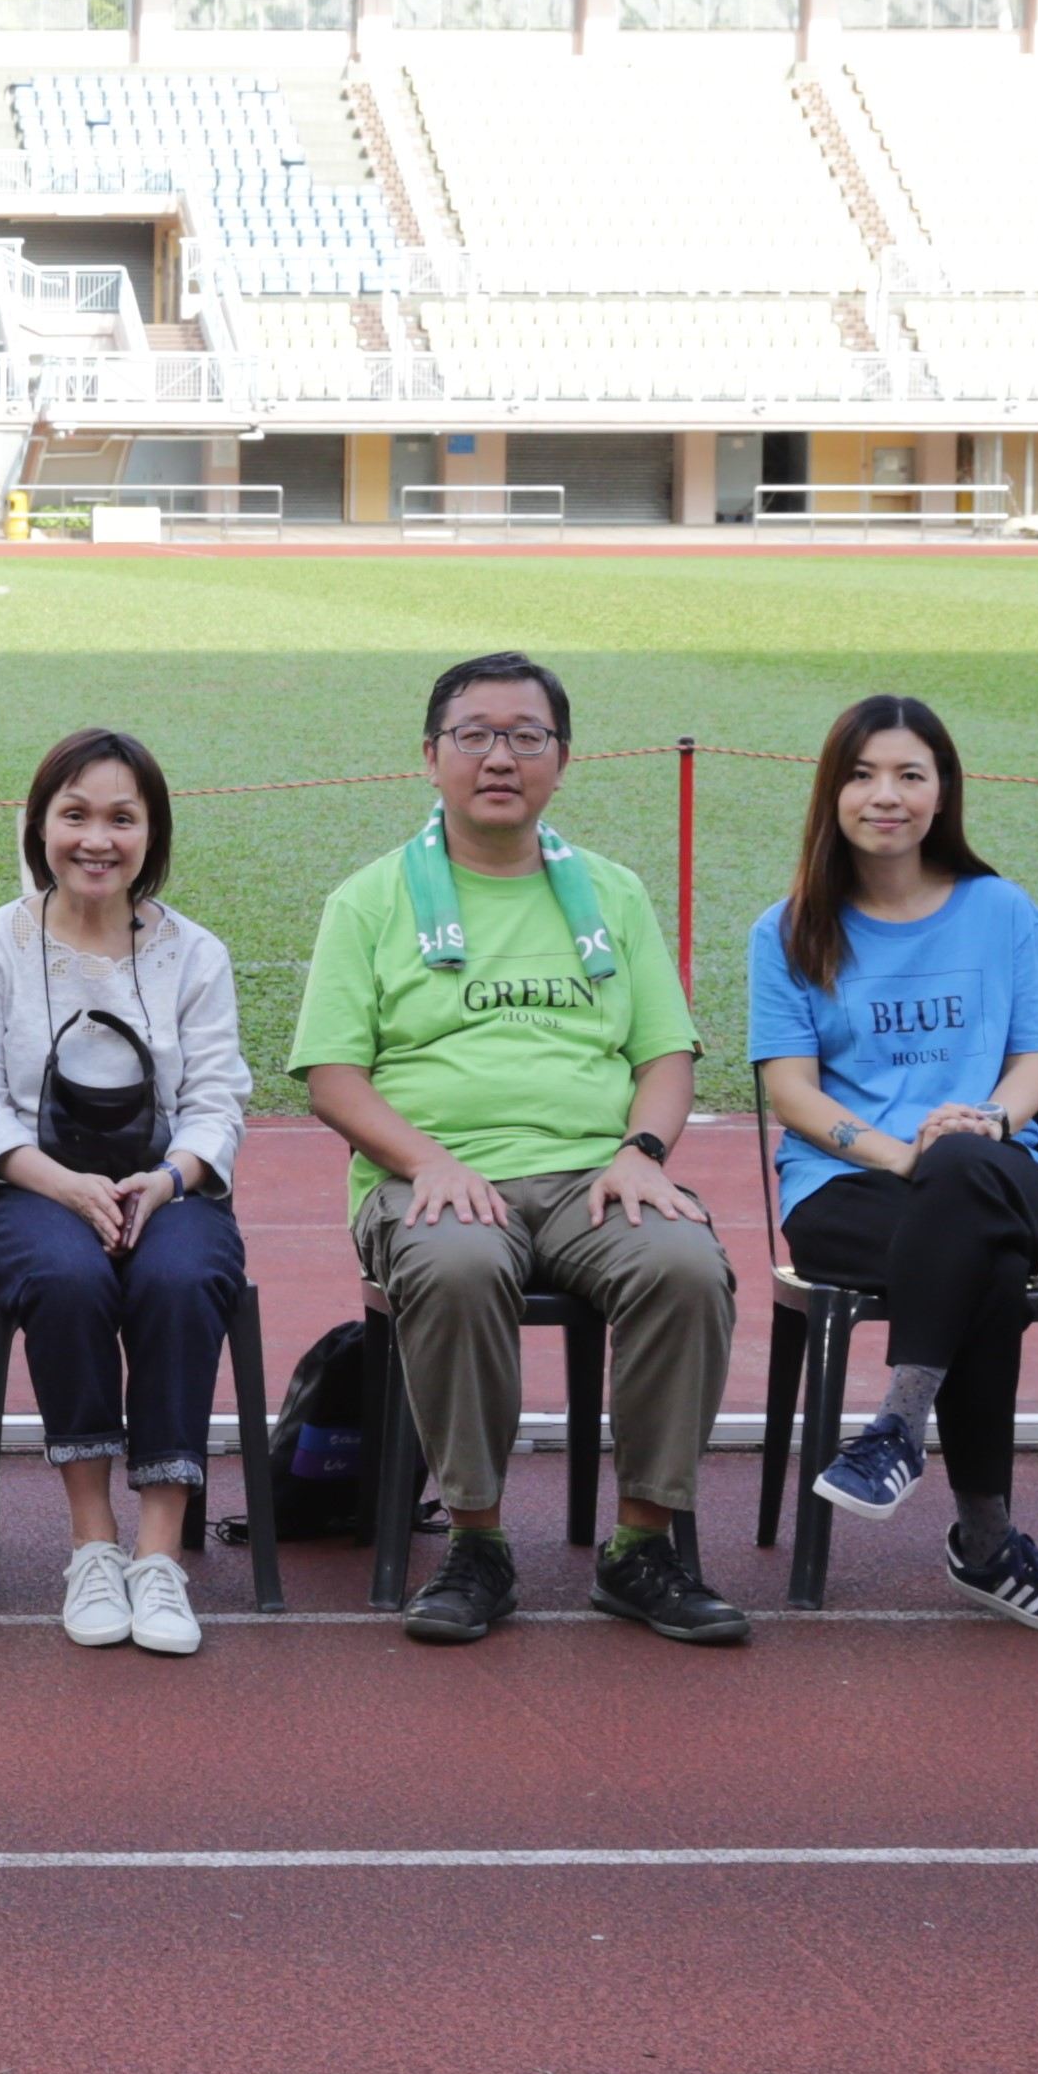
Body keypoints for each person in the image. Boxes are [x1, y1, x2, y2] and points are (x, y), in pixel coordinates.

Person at [289, 649, 745, 1649]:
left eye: (527, 737)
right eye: (476, 736)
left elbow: (666, 1055)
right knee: (455, 1264)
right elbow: (333, 1078)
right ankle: (477, 1543)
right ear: (431, 756)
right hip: (432, 1176)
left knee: (685, 1265)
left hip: (595, 1174)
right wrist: (430, 1162)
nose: (501, 758)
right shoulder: (370, 899)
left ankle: (642, 1548)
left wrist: (641, 1151)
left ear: (563, 760)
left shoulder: (613, 893)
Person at [744, 695, 1038, 1635]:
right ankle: (987, 1543)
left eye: (909, 775)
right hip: (846, 1191)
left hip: (996, 1164)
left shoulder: (1003, 911)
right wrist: (905, 1156)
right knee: (983, 1252)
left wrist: (984, 1123)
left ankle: (897, 1428)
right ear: (832, 793)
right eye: (863, 775)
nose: (887, 795)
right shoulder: (786, 930)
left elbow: (1032, 1064)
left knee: (966, 1180)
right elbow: (793, 1094)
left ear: (942, 791)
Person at [0, 727, 251, 1659]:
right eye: (74, 815)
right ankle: (93, 1544)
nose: (97, 839)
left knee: (179, 1278)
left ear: (151, 834)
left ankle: (158, 1556)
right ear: (40, 827)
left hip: (171, 1190)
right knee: (69, 1277)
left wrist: (167, 1179)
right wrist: (68, 1187)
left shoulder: (195, 953)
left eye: (122, 818)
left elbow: (217, 1103)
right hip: (27, 1191)